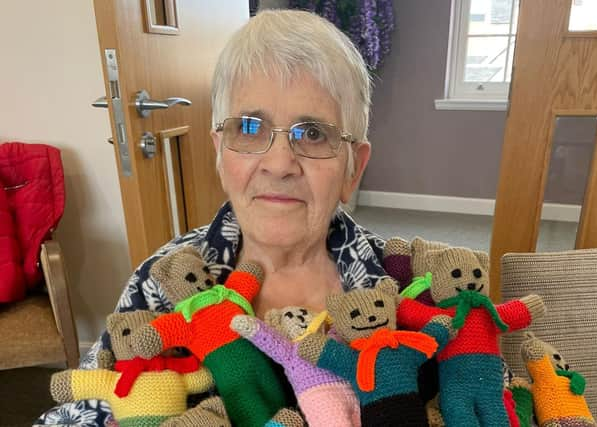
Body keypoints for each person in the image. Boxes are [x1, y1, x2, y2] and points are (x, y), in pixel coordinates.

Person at [36, 9, 390, 426]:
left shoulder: (400, 287)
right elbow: (86, 409)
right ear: (220, 154)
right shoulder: (164, 278)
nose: (279, 164)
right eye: (250, 127)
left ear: (354, 168)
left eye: (312, 133)